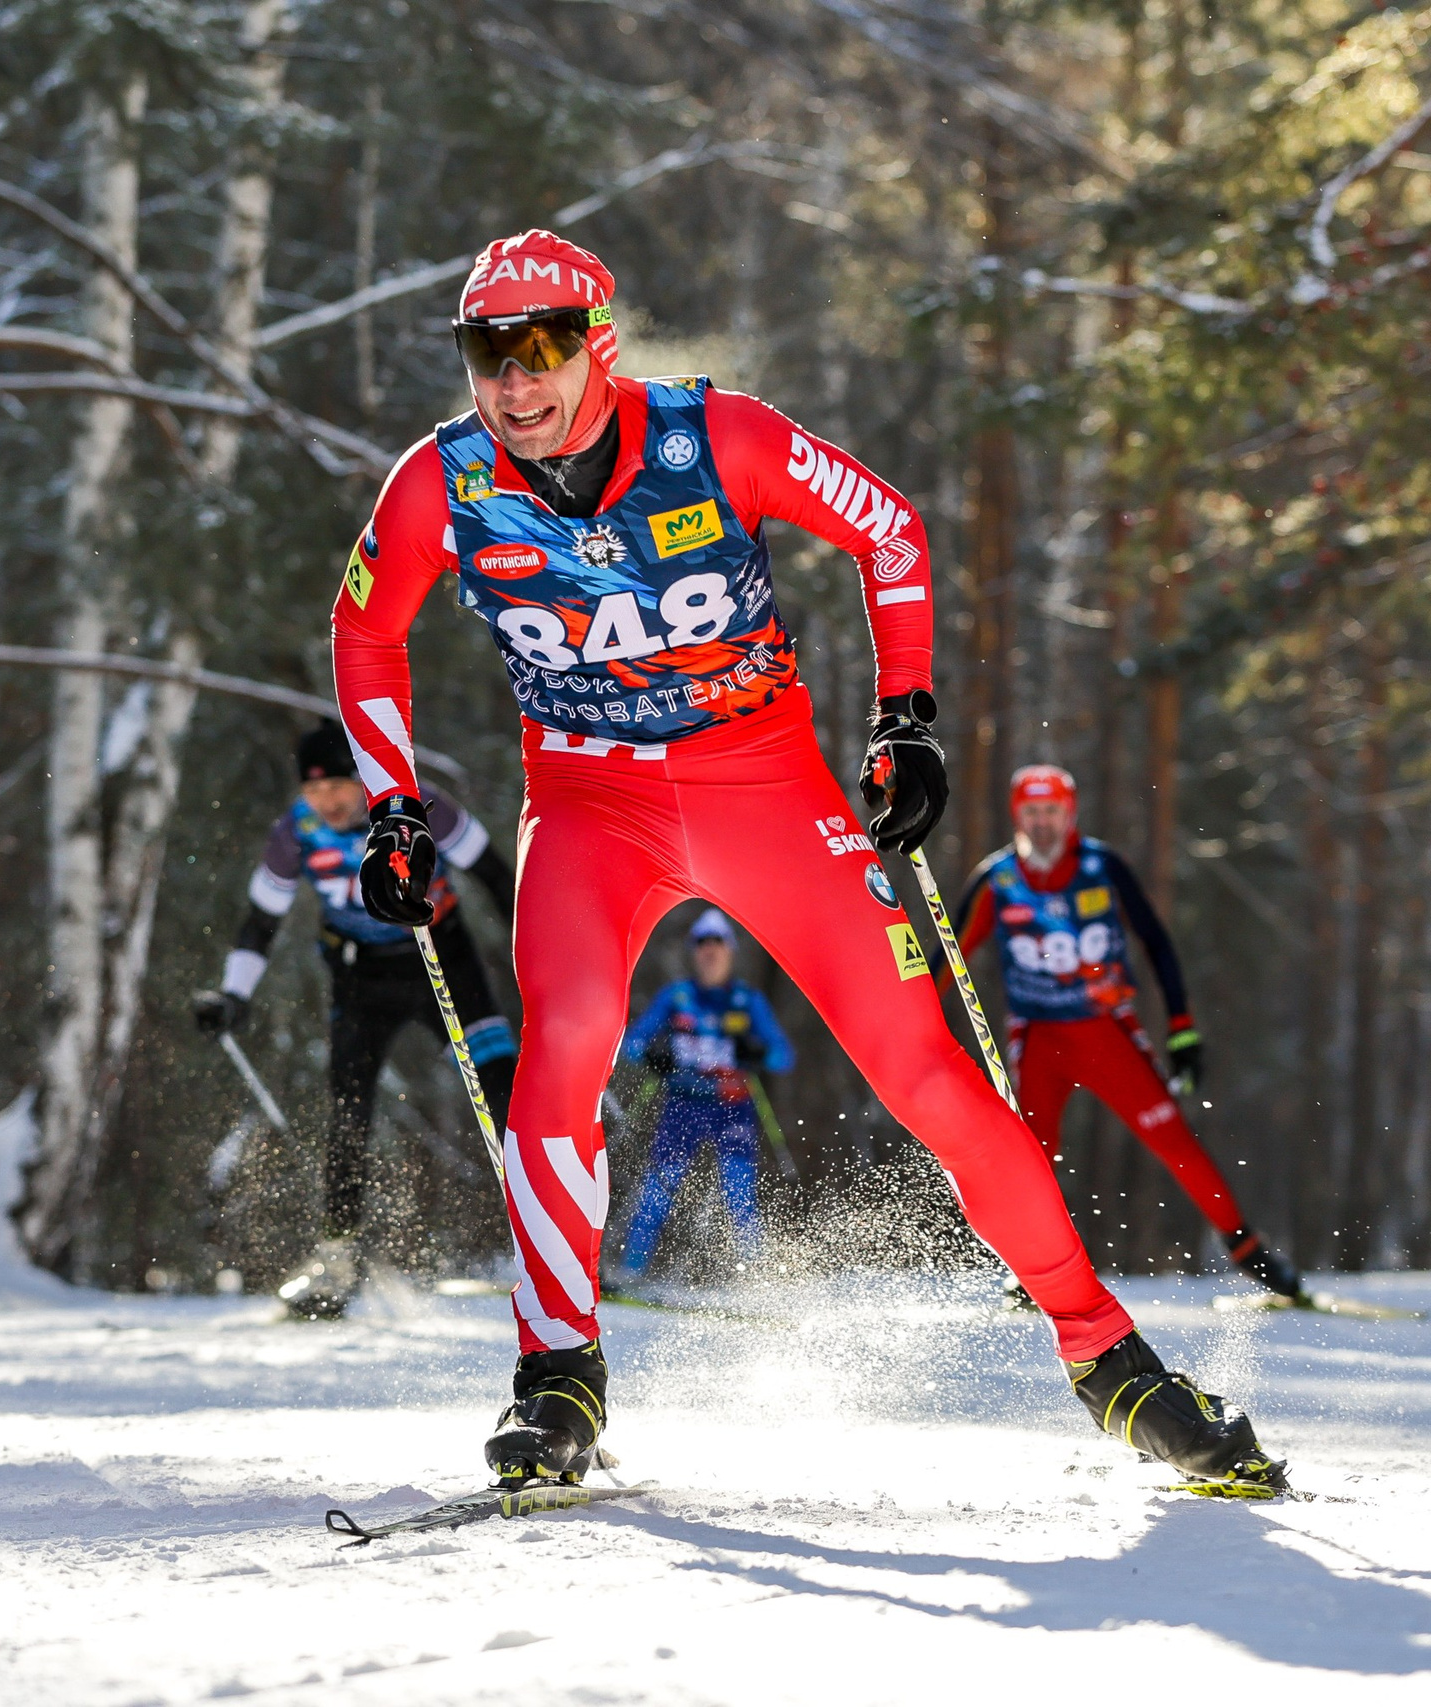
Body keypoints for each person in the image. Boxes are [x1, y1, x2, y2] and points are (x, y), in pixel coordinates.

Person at [328, 227, 1283, 1493]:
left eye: (542, 347)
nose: (514, 380)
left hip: (762, 787)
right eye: (485, 352)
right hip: (588, 804)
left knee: (925, 1071)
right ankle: (557, 1378)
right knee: (556, 1063)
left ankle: (1111, 1363)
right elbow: (364, 631)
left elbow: (888, 529)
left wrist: (905, 718)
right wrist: (394, 805)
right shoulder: (438, 484)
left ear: (597, 342)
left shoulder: (714, 438)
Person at [193, 721, 518, 1318]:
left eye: (340, 787)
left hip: (440, 957)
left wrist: (544, 947)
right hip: (359, 978)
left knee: (501, 1087)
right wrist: (233, 996)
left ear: (362, 778)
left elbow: (497, 876)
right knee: (347, 1110)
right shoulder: (296, 830)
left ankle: (555, 1242)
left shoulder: (415, 805)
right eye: (316, 792)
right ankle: (337, 1258)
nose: (329, 803)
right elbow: (260, 923)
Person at [955, 764, 1303, 1302]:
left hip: (1107, 1035)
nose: (1042, 824)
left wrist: (1183, 1029)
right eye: (1031, 813)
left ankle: (1248, 1251)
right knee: (1033, 1154)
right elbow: (946, 956)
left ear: (1069, 814)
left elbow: (1157, 943)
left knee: (1174, 1141)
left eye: (1052, 812)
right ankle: (1034, 1270)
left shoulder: (1100, 865)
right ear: (1016, 816)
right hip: (1040, 1039)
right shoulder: (998, 877)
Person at [613, 909, 794, 1283]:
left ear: (730, 951)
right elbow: (630, 1044)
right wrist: (652, 1055)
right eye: (702, 945)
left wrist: (756, 1052)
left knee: (740, 1195)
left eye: (718, 945)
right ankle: (629, 1273)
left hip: (732, 1107)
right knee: (657, 1190)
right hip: (683, 1104)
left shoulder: (747, 1000)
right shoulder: (677, 996)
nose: (710, 953)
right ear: (694, 953)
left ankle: (756, 1283)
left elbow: (784, 1057)